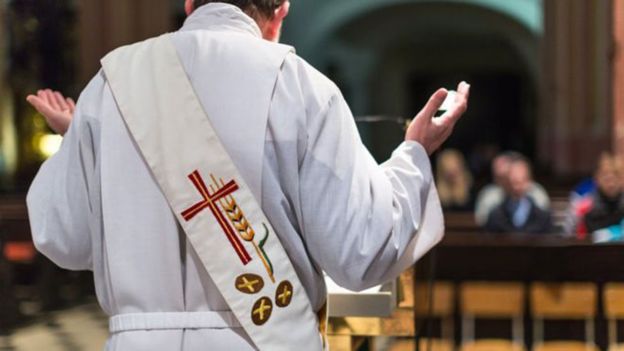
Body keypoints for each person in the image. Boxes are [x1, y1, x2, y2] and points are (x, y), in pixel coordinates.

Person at [25, 1, 470, 350]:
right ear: (280, 13)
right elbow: (359, 251)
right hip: (260, 340)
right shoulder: (300, 86)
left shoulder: (110, 85)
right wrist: (415, 152)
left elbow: (64, 237)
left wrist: (96, 138)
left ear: (189, 4)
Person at [474, 151, 550, 226]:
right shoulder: (489, 194)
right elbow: (482, 221)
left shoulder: (536, 192)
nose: (517, 187)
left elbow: (543, 216)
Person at [583, 153, 624, 235]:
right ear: (597, 178)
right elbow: (572, 238)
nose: (611, 183)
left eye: (616, 176)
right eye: (606, 177)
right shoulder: (585, 207)